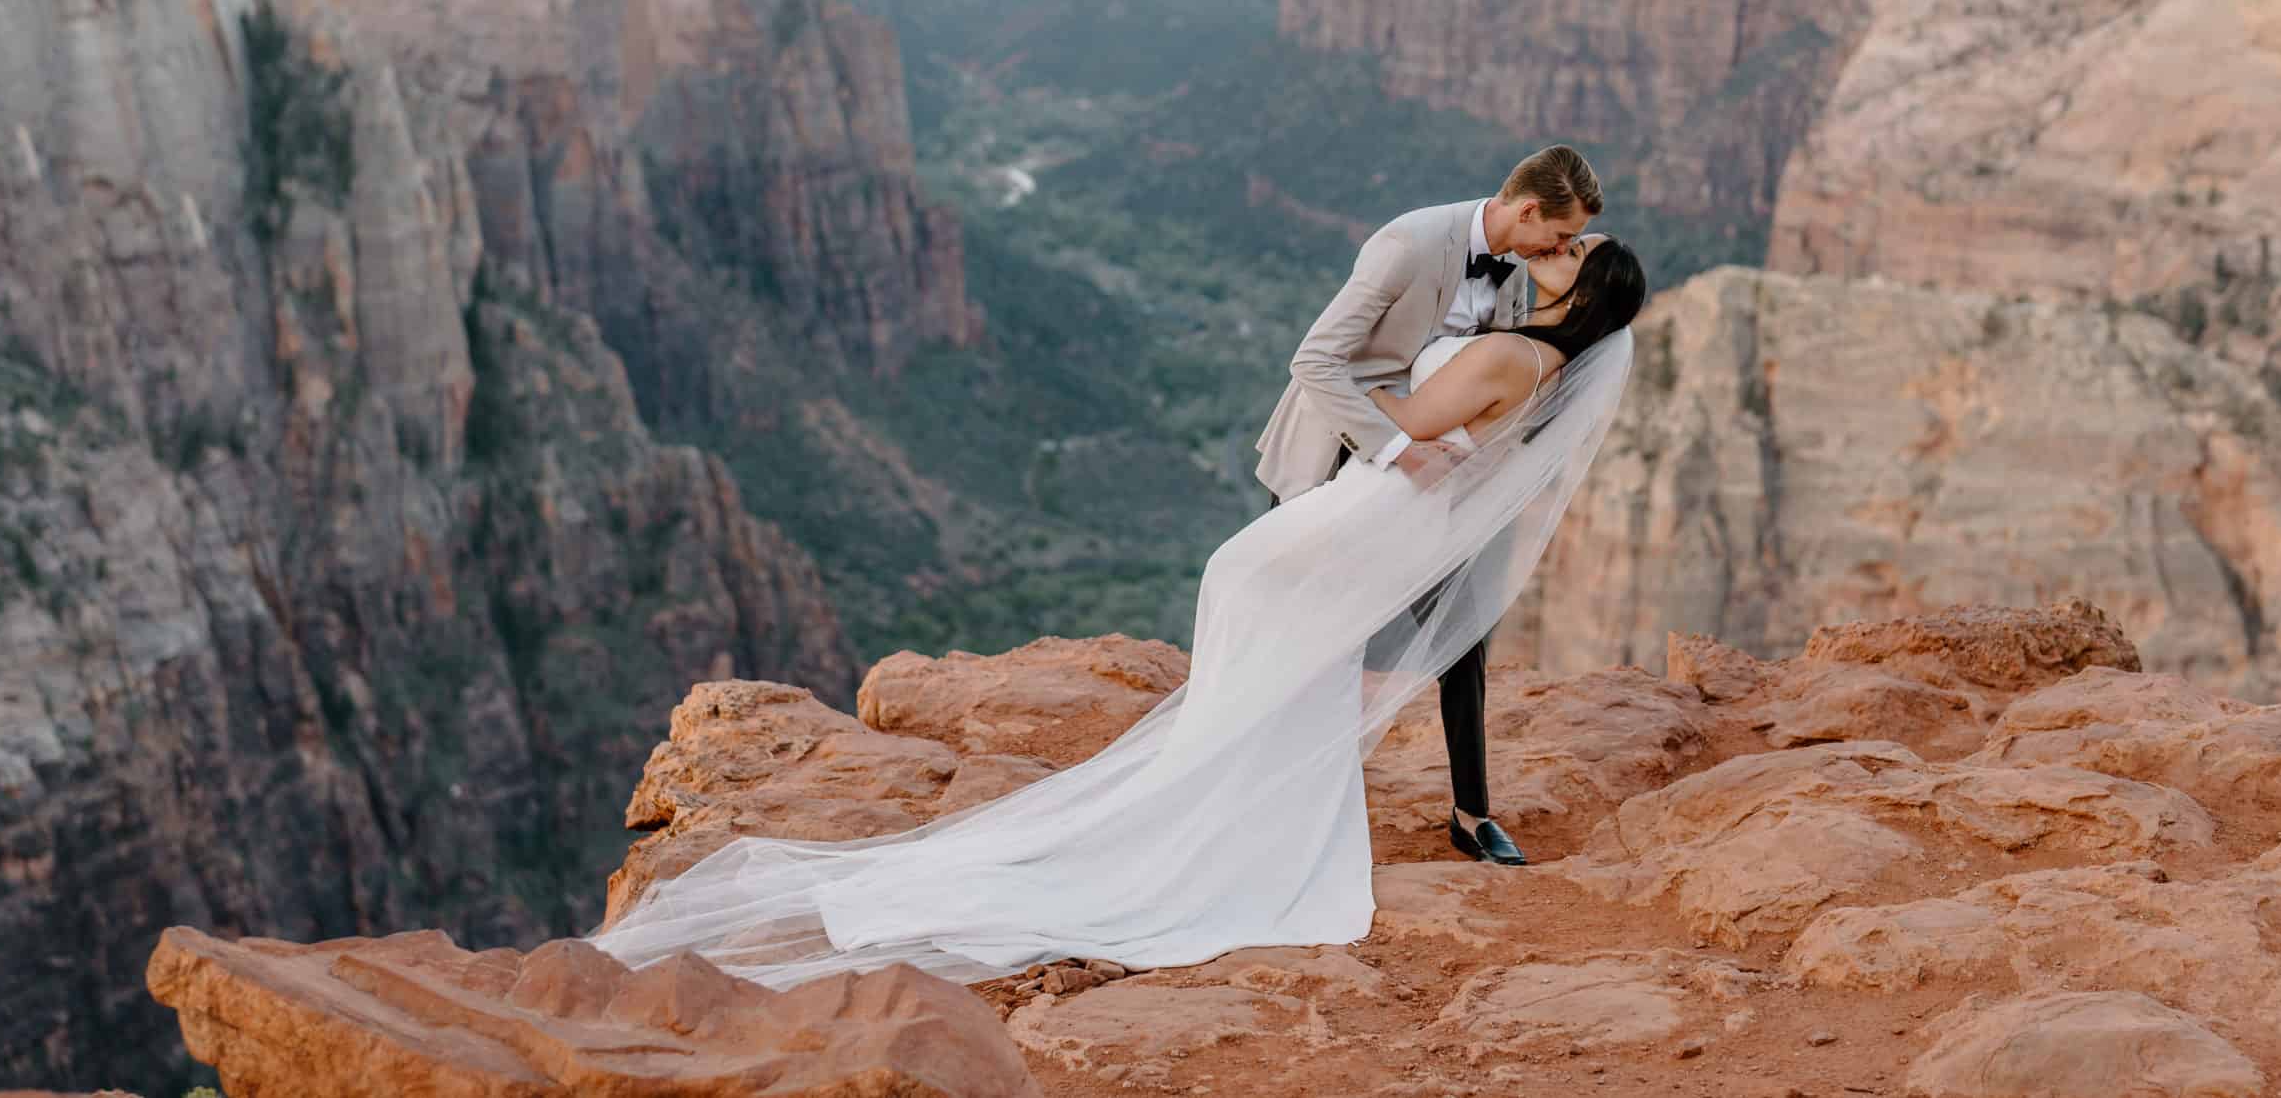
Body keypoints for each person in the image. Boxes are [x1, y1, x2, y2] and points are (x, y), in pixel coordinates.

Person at [590, 216, 1645, 991]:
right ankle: (1230, 800)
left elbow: (1410, 416)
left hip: (1367, 509)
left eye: (1573, 253)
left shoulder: (1509, 347)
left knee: (1241, 588)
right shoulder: (1539, 357)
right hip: (1381, 514)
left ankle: (1207, 813)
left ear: (1579, 288)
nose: (1559, 247)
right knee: (1285, 646)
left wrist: (1359, 372)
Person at [1254, 145, 1604, 865]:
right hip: (1337, 462)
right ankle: (1289, 801)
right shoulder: (1408, 244)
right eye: (1561, 237)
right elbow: (1314, 360)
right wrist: (1398, 449)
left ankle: (1472, 814)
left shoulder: (1515, 273)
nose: (1562, 250)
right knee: (1320, 638)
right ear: (1528, 209)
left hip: (1428, 487)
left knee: (1463, 631)